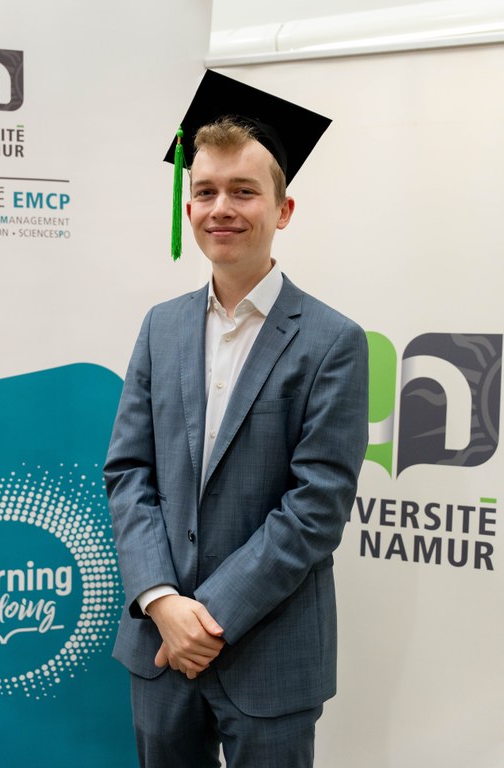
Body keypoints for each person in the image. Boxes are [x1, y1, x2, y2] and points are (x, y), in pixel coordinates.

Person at [104, 70, 369, 768]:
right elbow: (129, 473)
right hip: (160, 649)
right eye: (206, 191)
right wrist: (163, 601)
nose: (222, 208)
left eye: (244, 191)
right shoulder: (161, 327)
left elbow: (316, 507)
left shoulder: (332, 341)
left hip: (269, 652)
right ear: (188, 206)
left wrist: (206, 617)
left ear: (284, 210)